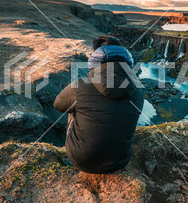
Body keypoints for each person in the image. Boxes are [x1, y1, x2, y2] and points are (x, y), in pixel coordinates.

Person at [54, 35, 144, 174]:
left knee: (73, 107)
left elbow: (58, 104)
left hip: (82, 161)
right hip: (120, 162)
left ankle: (76, 153)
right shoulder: (138, 89)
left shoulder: (82, 85)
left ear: (95, 57)